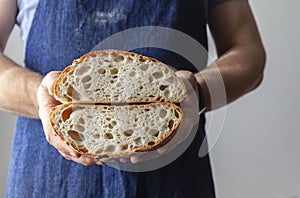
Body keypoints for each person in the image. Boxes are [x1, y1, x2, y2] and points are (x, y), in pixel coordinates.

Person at [0, 0, 265, 197]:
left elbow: (248, 52)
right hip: (47, 180)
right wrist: (42, 98)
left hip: (173, 182)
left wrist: (197, 91)